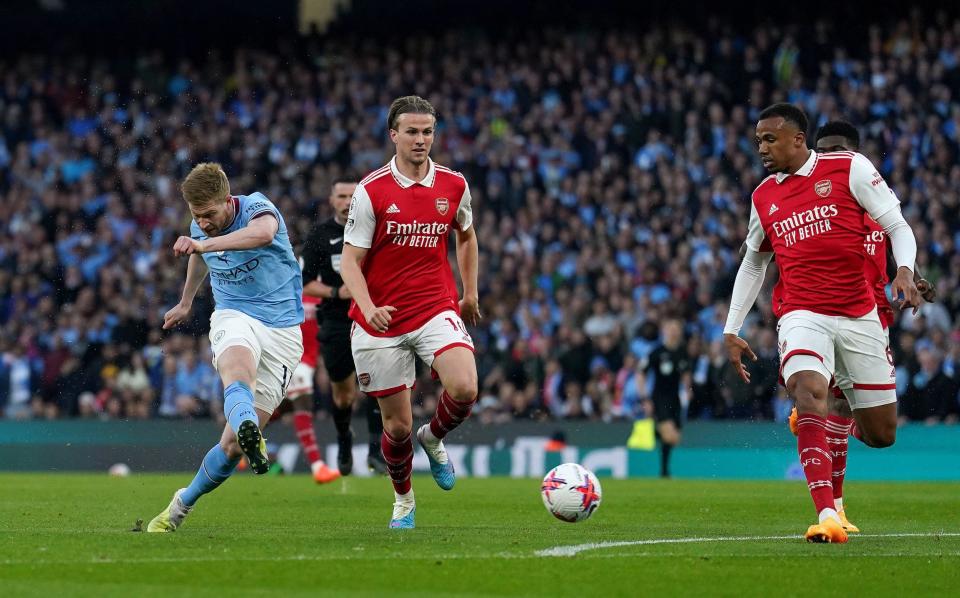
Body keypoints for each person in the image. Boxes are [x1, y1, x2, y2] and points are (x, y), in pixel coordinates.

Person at [723, 104, 920, 544]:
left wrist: (904, 270)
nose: (762, 149)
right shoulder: (763, 196)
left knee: (881, 434)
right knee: (810, 392)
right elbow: (753, 265)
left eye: (770, 139)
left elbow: (897, 225)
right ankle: (827, 513)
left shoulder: (848, 168)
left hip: (860, 315)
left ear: (799, 139)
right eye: (758, 141)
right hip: (802, 313)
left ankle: (821, 422)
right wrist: (731, 329)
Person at [783, 120, 938, 534]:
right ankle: (833, 508)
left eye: (838, 150)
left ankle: (831, 490)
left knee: (869, 425)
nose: (831, 158)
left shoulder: (874, 203)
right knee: (828, 404)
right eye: (824, 150)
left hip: (871, 318)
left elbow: (897, 245)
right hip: (820, 312)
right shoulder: (817, 204)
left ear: (855, 153)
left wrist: (913, 276)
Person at [340, 95, 481, 529]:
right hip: (379, 320)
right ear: (393, 135)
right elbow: (350, 261)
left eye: (428, 132)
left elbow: (467, 236)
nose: (421, 140)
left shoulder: (454, 185)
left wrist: (469, 292)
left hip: (434, 305)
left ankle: (433, 437)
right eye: (412, 132)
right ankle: (403, 499)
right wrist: (368, 306)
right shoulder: (372, 190)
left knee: (465, 387)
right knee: (397, 429)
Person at [147, 163, 304, 532]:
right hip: (234, 313)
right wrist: (186, 301)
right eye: (196, 217)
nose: (202, 223)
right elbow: (200, 258)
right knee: (237, 370)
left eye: (209, 214)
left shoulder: (255, 207)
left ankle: (181, 503)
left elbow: (262, 235)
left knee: (232, 447)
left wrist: (204, 243)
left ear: (227, 200)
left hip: (283, 331)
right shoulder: (200, 229)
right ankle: (248, 423)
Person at [300, 179, 388, 476]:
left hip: (371, 315)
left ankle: (377, 451)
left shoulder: (374, 229)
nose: (347, 200)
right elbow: (306, 281)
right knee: (344, 395)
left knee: (377, 386)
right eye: (341, 195)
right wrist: (337, 293)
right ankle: (344, 439)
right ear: (332, 199)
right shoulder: (320, 235)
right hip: (336, 320)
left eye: (352, 195)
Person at [281, 290, 342, 483]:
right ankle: (317, 466)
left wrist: (322, 362)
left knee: (284, 407)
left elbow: (323, 331)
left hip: (309, 361)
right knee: (302, 403)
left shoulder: (318, 293)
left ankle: (241, 436)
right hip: (290, 357)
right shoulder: (285, 291)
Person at [636, 319, 691, 478]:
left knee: (675, 439)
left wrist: (688, 389)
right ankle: (656, 429)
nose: (674, 332)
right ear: (665, 331)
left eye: (676, 328)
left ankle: (664, 471)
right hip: (660, 398)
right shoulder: (657, 352)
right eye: (671, 328)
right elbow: (641, 372)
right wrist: (644, 397)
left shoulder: (682, 352)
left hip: (676, 399)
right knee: (670, 436)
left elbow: (686, 373)